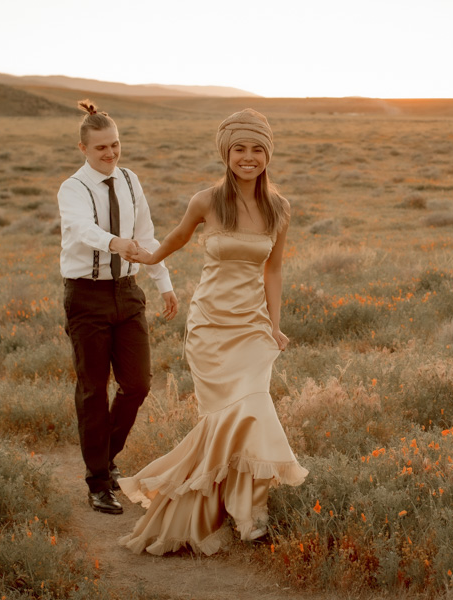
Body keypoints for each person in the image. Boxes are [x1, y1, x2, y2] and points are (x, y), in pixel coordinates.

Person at [117, 108, 307, 555]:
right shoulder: (206, 201)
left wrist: (274, 325)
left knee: (254, 409)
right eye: (240, 148)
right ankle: (233, 510)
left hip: (251, 327)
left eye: (257, 149)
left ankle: (250, 512)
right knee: (224, 418)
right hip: (210, 327)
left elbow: (274, 270)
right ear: (226, 153)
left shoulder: (279, 207)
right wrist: (150, 257)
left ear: (268, 154)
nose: (248, 157)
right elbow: (179, 237)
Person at [57, 99, 178, 515]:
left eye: (115, 144)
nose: (110, 153)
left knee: (137, 385)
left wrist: (163, 282)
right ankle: (98, 482)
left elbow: (146, 233)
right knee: (93, 390)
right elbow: (80, 228)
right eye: (101, 147)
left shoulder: (129, 180)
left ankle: (105, 458)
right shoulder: (73, 188)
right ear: (83, 149)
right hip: (86, 297)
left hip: (127, 292)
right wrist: (114, 243)